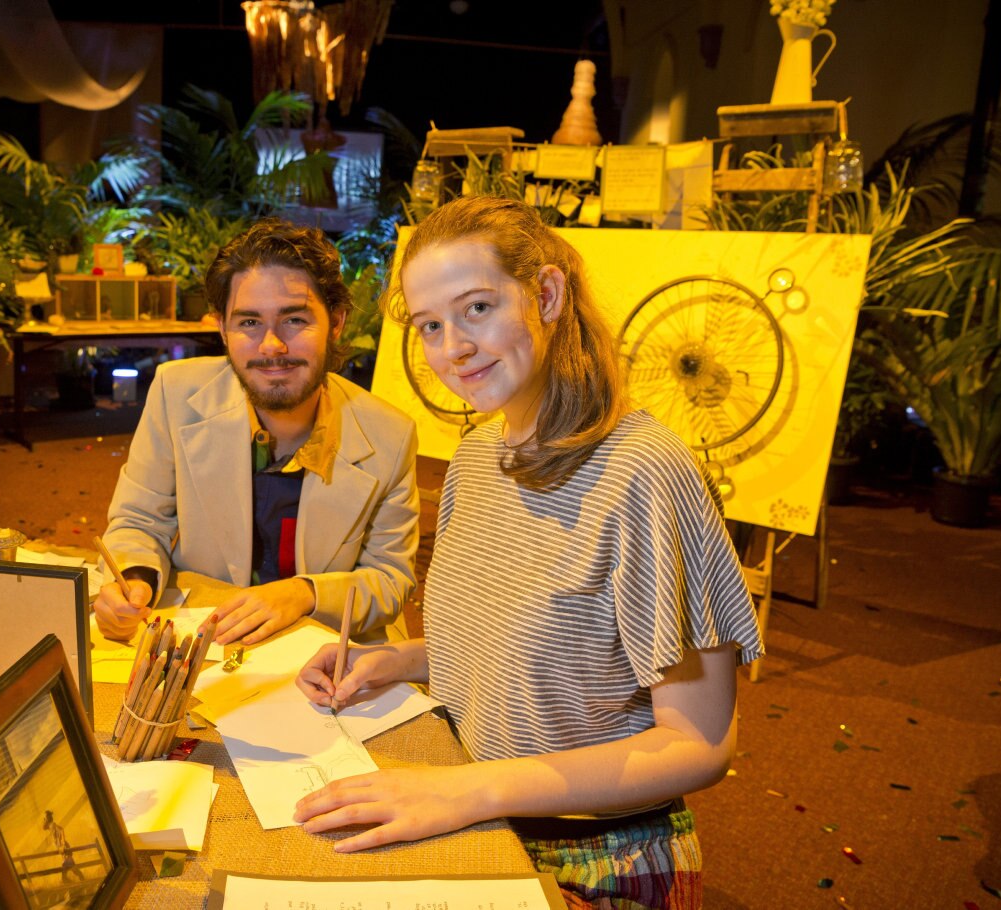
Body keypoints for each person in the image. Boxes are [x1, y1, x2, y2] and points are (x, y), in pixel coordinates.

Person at [294, 196, 763, 908]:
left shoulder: (643, 471)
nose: (452, 347)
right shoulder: (480, 456)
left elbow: (699, 744)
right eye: (429, 325)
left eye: (477, 308)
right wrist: (395, 659)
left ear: (546, 294)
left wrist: (465, 789)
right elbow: (543, 635)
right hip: (483, 813)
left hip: (598, 857)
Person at [95, 219, 420, 647]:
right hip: (208, 641)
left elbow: (390, 580)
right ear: (222, 329)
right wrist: (133, 580)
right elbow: (139, 519)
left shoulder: (389, 435)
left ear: (336, 323)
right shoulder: (176, 394)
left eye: (295, 320)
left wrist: (303, 593)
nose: (271, 346)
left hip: (324, 652)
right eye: (249, 322)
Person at [42, 811, 84, 883]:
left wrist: (63, 843)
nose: (43, 820)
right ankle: (80, 879)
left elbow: (61, 829)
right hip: (63, 850)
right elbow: (44, 828)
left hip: (64, 849)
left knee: (69, 867)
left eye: (44, 818)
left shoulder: (53, 825)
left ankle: (79, 879)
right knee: (71, 867)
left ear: (47, 819)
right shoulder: (50, 827)